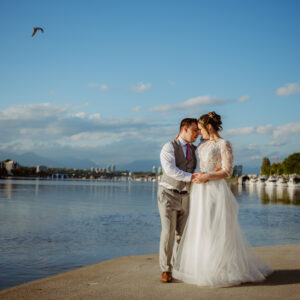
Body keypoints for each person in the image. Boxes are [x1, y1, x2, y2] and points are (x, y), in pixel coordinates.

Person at [173, 112, 273, 287]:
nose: (199, 133)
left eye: (201, 129)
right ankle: (202, 267)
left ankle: (221, 269)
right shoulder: (202, 145)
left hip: (214, 190)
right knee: (201, 227)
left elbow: (228, 171)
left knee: (216, 228)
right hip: (199, 191)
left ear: (209, 127)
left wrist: (207, 177)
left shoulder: (224, 144)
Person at [158, 118, 204, 283]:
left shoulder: (196, 150)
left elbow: (199, 167)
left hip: (186, 195)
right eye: (194, 130)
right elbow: (170, 170)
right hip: (168, 194)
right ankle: (165, 269)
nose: (197, 134)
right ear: (184, 129)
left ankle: (177, 267)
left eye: (198, 131)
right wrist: (191, 177)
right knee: (168, 232)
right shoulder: (169, 147)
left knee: (182, 235)